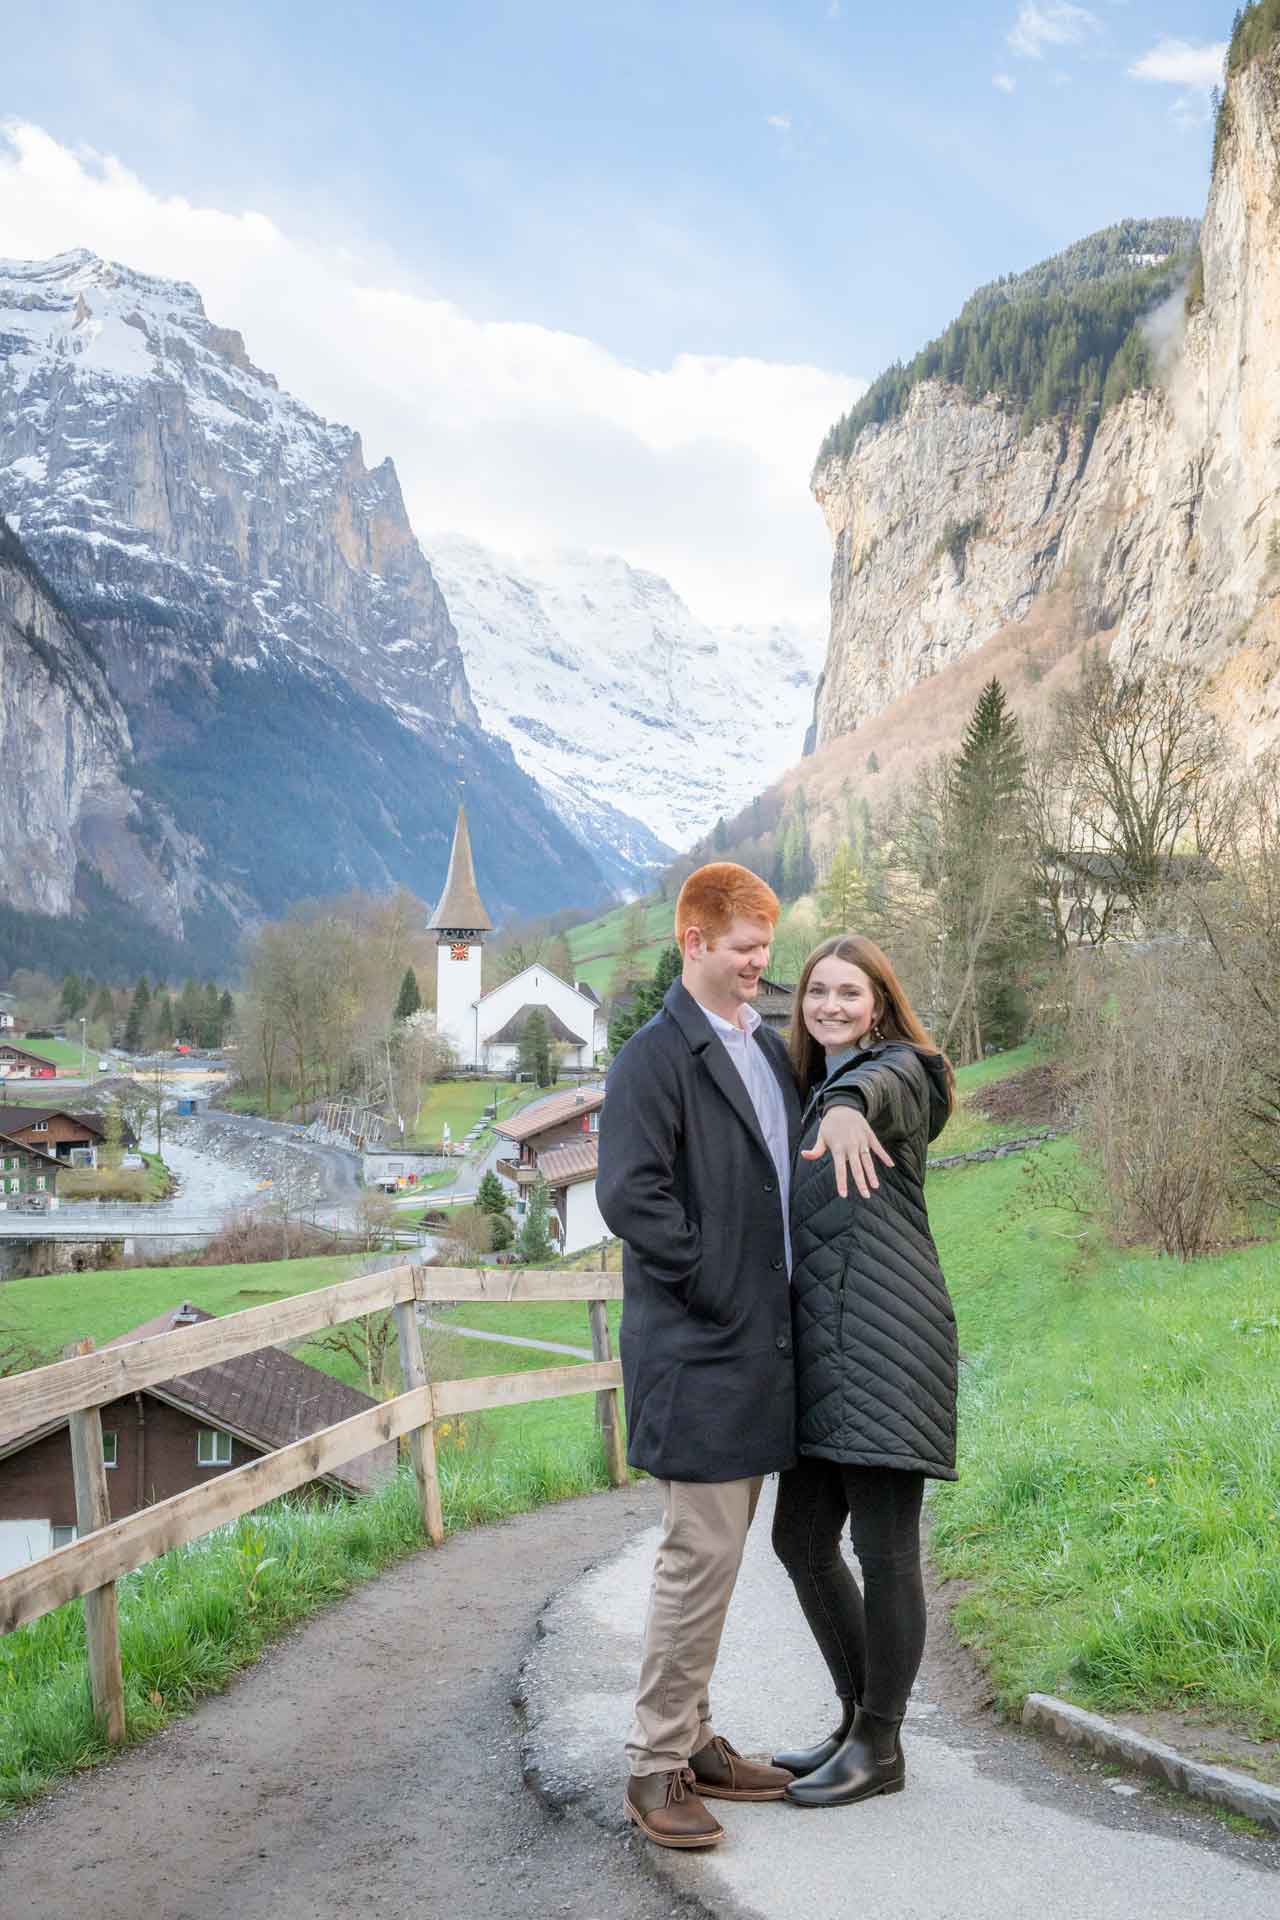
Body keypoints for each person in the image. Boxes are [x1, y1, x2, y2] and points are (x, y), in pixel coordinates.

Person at [596, 865, 883, 1851]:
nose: (761, 963)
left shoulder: (763, 1045)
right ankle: (652, 1767)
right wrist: (718, 1282)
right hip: (697, 1346)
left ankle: (698, 1738)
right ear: (691, 943)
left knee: (714, 1564)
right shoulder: (653, 1058)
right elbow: (629, 1199)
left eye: (766, 945)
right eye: (741, 947)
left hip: (757, 1349)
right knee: (699, 1555)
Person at [770, 932, 957, 1810]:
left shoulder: (900, 1074)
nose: (831, 1006)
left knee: (884, 1553)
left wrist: (848, 1105)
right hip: (828, 1350)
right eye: (817, 992)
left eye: (849, 993)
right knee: (799, 1541)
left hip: (888, 1345)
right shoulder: (808, 1092)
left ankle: (882, 1744)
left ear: (878, 1002)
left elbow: (881, 1089)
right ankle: (856, 1723)